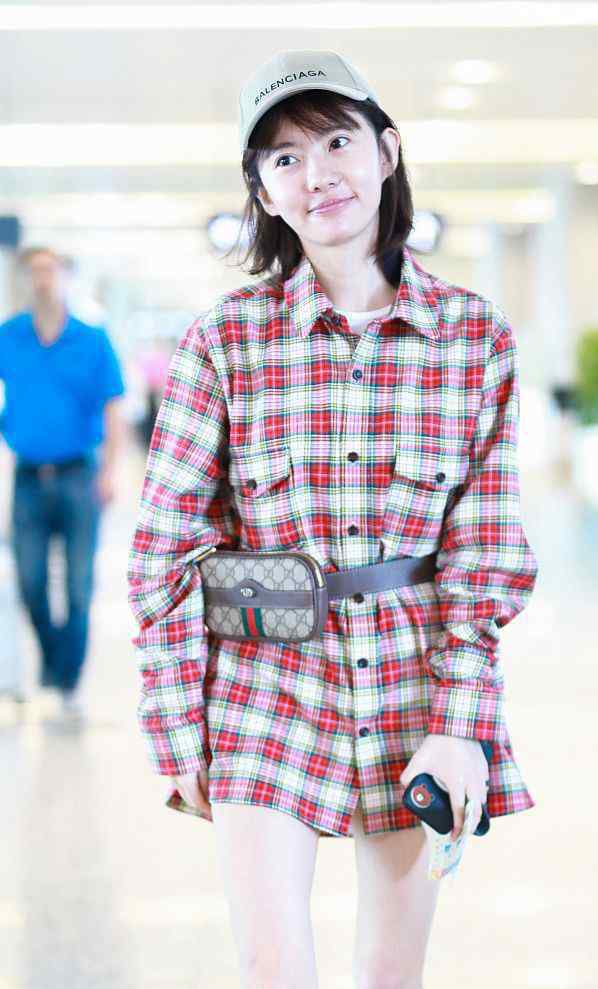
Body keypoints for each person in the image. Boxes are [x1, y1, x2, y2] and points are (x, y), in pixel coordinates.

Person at [127, 50, 539, 989]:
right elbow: (165, 549)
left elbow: (483, 553)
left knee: (391, 972)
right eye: (284, 158)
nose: (316, 174)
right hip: (261, 679)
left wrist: (460, 721)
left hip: (410, 679)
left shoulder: (474, 337)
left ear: (386, 152)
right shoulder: (225, 339)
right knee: (273, 967)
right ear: (263, 193)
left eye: (337, 142)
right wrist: (176, 725)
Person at [0, 246, 126, 719]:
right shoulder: (9, 336)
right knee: (30, 582)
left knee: (77, 586)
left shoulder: (92, 339)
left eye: (50, 270)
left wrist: (110, 471)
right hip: (28, 478)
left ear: (66, 277)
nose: (42, 279)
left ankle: (66, 680)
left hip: (79, 475)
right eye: (34, 271)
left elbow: (113, 407)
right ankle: (55, 664)